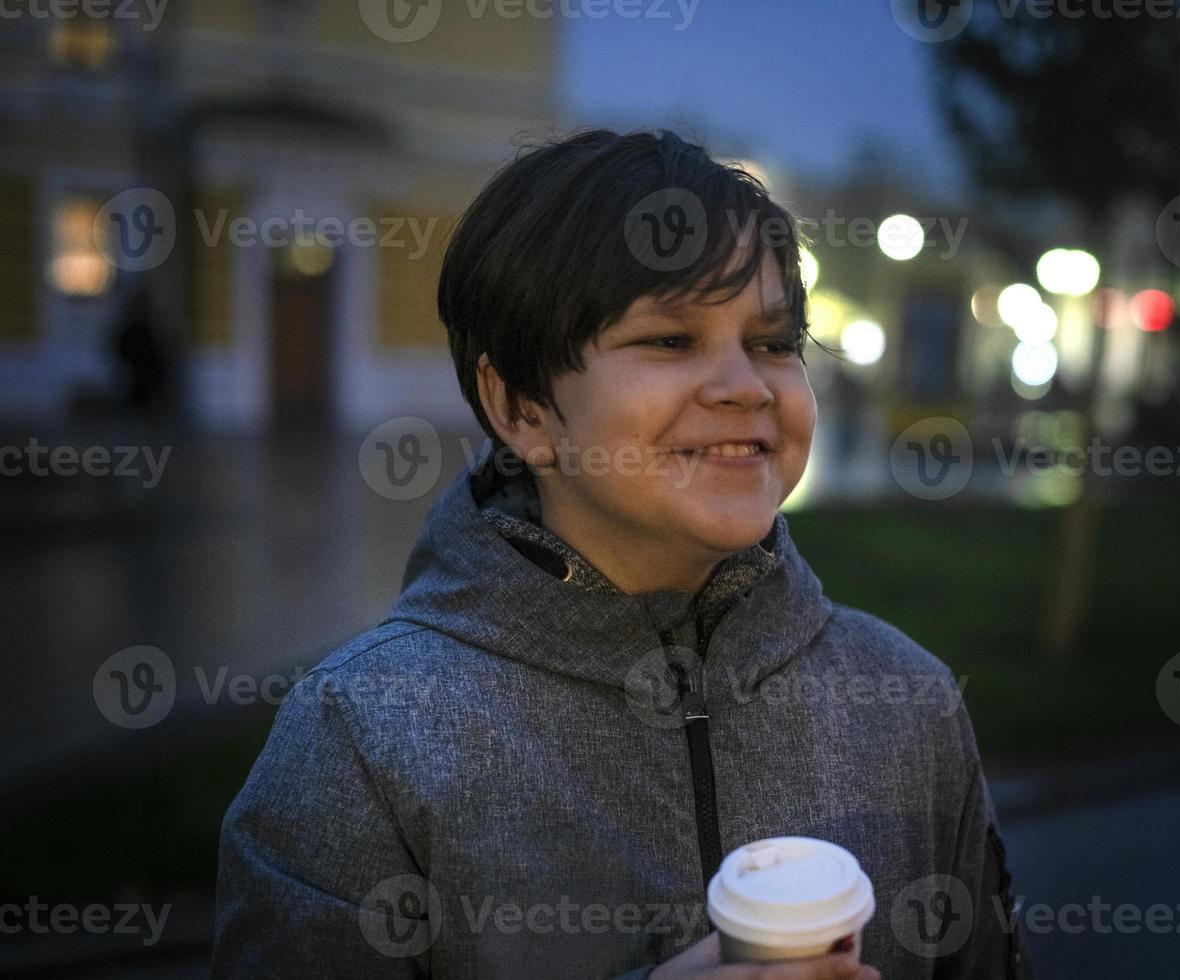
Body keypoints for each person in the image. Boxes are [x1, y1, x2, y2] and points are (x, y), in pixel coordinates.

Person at [213, 129, 1027, 979]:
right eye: (670, 341)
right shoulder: (363, 742)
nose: (746, 386)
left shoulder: (907, 706)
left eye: (774, 342)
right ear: (522, 407)